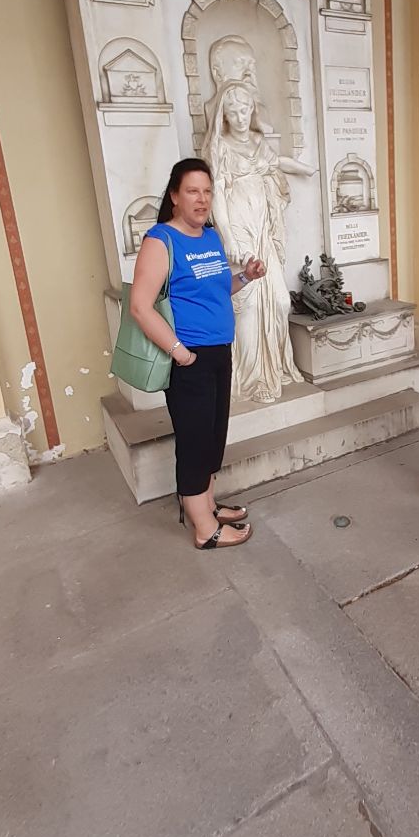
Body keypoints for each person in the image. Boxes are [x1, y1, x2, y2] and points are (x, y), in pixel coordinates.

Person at [130, 157, 266, 550]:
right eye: (192, 191)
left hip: (219, 352)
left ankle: (204, 502)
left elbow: (216, 291)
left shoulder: (210, 236)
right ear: (174, 196)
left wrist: (245, 277)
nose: (202, 199)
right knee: (193, 441)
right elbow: (140, 306)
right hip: (189, 358)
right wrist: (180, 353)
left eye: (207, 191)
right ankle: (204, 526)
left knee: (211, 437)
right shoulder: (161, 240)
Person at [203, 77, 313, 403]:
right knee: (248, 306)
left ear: (252, 110)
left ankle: (276, 366)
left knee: (279, 301)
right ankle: (252, 379)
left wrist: (306, 169)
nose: (239, 117)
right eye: (233, 111)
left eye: (244, 109)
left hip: (263, 231)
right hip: (239, 233)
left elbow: (276, 165)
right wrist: (226, 235)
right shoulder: (218, 147)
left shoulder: (257, 142)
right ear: (224, 114)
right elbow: (217, 193)